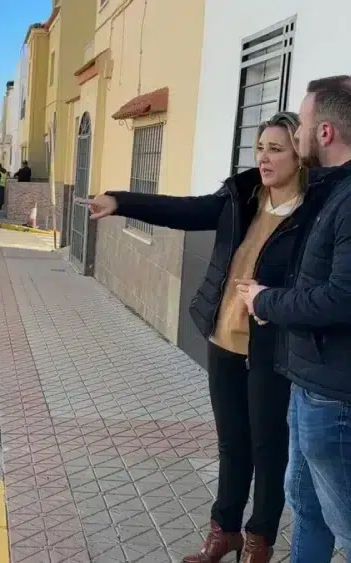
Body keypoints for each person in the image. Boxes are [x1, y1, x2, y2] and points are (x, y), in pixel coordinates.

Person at [86, 112, 324, 563]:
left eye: (276, 149)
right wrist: (118, 201)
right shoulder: (242, 196)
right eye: (260, 148)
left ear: (300, 156)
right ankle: (224, 531)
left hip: (274, 348)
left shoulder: (313, 214)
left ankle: (259, 540)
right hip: (224, 340)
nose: (264, 157)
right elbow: (186, 209)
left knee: (268, 447)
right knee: (232, 442)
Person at [240, 76, 351, 563]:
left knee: (345, 521)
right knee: (307, 509)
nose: (298, 131)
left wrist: (266, 302)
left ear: (324, 132)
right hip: (307, 382)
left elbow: (340, 299)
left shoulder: (347, 199)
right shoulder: (328, 191)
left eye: (302, 124)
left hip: (334, 397)